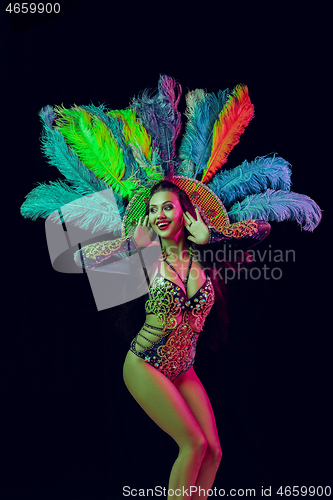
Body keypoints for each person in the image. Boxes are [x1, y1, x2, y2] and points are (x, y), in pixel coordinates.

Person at [74, 180, 271, 500]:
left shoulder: (203, 256)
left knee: (213, 452)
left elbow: (262, 229)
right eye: (153, 210)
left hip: (183, 367)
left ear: (185, 213)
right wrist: (129, 246)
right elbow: (81, 258)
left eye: (167, 207)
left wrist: (213, 235)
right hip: (145, 364)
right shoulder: (147, 255)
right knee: (193, 445)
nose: (159, 215)